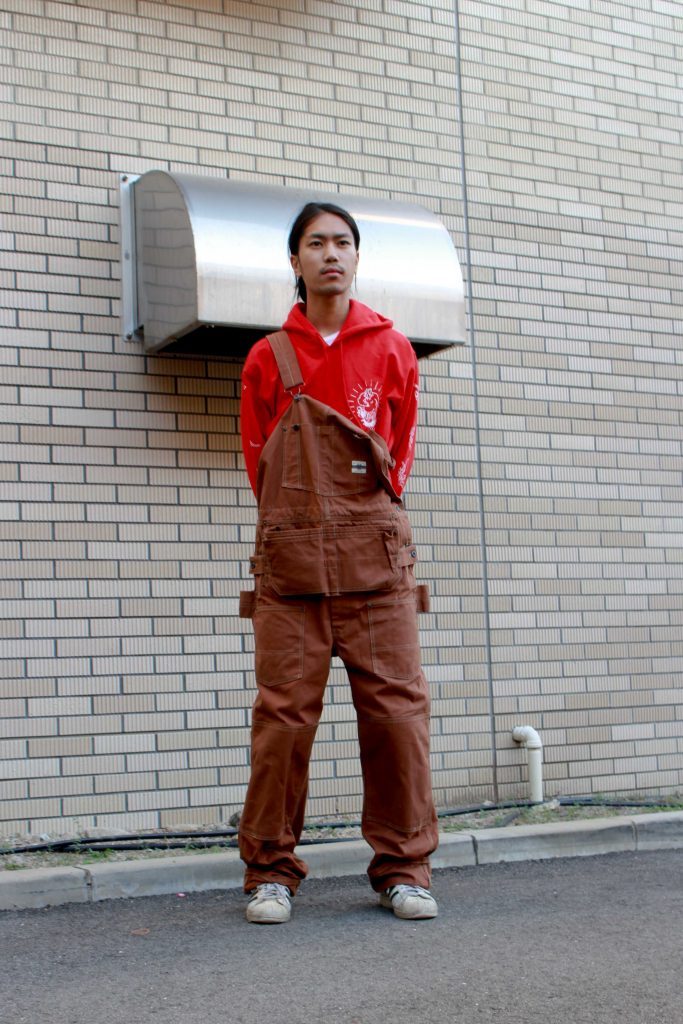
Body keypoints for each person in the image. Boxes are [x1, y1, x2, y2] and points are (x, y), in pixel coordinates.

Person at [238, 201, 439, 924]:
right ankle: (269, 872)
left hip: (376, 563)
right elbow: (259, 462)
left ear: (356, 257)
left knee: (396, 716)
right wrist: (302, 527)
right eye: (316, 243)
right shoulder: (267, 356)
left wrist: (357, 522)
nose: (331, 253)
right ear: (294, 260)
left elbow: (400, 450)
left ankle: (404, 868)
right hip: (291, 567)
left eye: (343, 242)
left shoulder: (391, 347)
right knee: (282, 721)